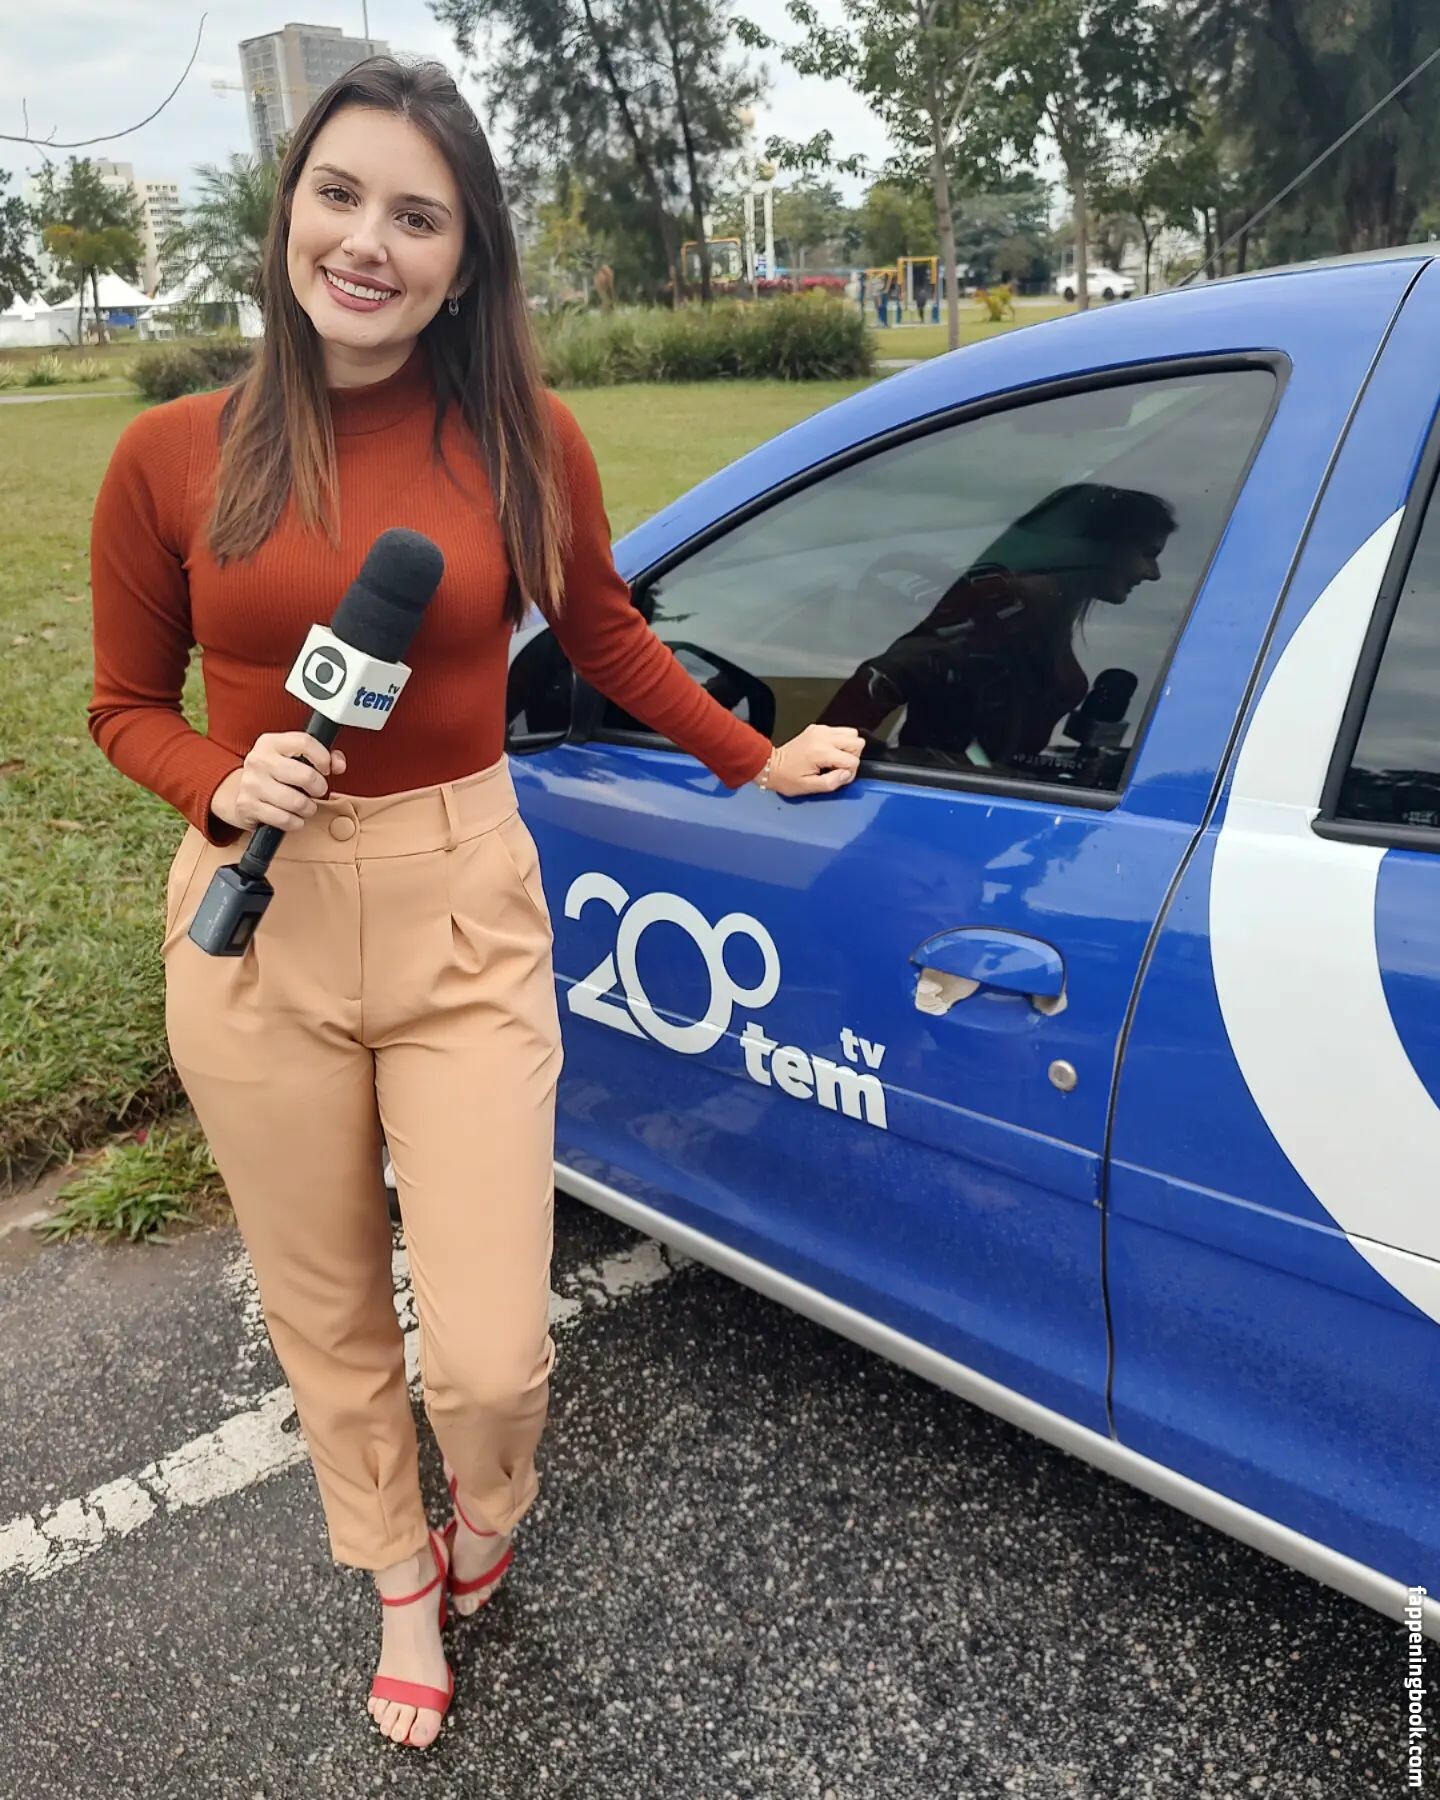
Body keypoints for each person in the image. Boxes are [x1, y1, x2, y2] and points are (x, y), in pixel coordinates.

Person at [86, 57, 864, 1753]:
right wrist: (215, 781)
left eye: (416, 216)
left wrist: (755, 760)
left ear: (464, 258)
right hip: (259, 915)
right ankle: (395, 1574)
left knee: (493, 1353)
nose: (367, 243)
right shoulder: (168, 455)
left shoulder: (523, 439)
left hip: (461, 901)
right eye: (339, 195)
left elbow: (606, 638)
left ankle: (487, 1508)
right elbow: (124, 704)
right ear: (289, 210)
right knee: (326, 1304)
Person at [818, 482, 1175, 771]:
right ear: (1100, 547)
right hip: (945, 804)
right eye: (1148, 554)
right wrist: (844, 756)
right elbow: (891, 672)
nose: (1153, 573)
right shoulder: (1002, 603)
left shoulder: (1051, 612)